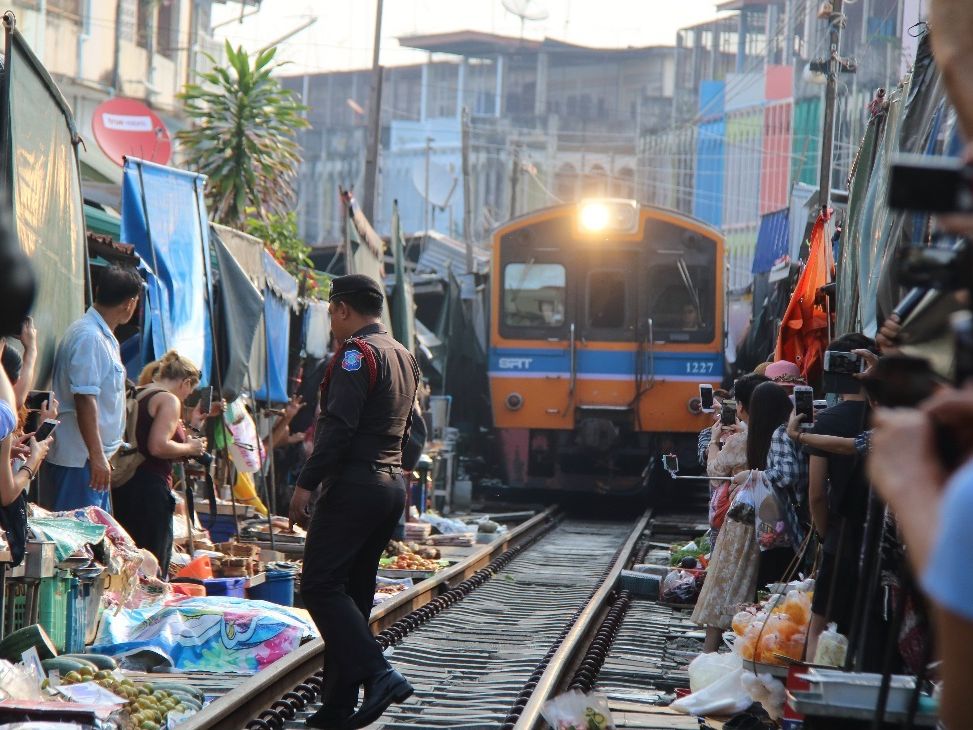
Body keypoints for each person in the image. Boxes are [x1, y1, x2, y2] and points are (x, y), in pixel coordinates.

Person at [288, 274, 420, 730]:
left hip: (354, 485)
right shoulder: (403, 355)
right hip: (389, 485)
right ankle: (338, 705)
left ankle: (379, 674)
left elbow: (338, 428)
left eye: (331, 312)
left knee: (320, 585)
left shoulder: (356, 355)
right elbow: (412, 431)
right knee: (354, 594)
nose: (331, 320)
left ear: (343, 309)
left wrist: (305, 484)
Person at [42, 265, 142, 511]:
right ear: (130, 304)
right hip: (81, 461)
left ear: (98, 291)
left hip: (90, 460)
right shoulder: (90, 337)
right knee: (78, 533)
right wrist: (96, 456)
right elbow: (85, 399)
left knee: (93, 531)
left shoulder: (101, 335)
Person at [804, 334, 876, 659]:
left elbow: (816, 494)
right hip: (883, 541)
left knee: (819, 627)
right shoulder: (895, 420)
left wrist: (824, 534)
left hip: (842, 536)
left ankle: (812, 685)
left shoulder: (828, 421)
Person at [111, 351, 207, 577]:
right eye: (190, 390)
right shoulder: (168, 400)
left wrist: (190, 433)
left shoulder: (139, 393)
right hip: (150, 491)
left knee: (127, 563)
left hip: (124, 484)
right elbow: (157, 446)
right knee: (152, 568)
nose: (187, 396)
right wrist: (190, 448)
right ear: (186, 382)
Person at [693, 373, 768, 652]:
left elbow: (715, 475)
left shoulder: (741, 441)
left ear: (743, 406)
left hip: (743, 518)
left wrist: (714, 441)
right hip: (774, 520)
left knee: (726, 579)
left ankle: (710, 651)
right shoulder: (778, 435)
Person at [731, 382, 798, 589]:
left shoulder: (779, 433)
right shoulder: (788, 430)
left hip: (785, 520)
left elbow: (787, 475)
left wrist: (752, 476)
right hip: (784, 520)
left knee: (775, 580)